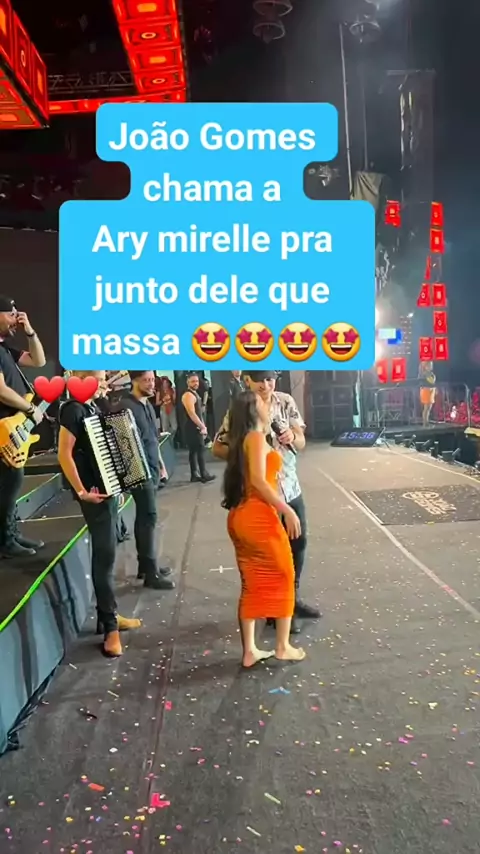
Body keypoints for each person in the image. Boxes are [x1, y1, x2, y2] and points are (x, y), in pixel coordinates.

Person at [213, 369, 320, 634]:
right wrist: (249, 454)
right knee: (271, 557)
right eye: (259, 380)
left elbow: (302, 441)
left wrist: (292, 437)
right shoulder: (241, 407)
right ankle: (276, 610)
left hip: (289, 486)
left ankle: (291, 600)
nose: (265, 385)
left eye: (270, 379)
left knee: (298, 544)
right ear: (248, 380)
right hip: (261, 497)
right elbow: (218, 447)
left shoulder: (285, 401)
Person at [57, 370, 141, 658]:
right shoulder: (73, 409)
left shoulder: (93, 407)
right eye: (99, 378)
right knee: (104, 558)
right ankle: (109, 627)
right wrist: (81, 492)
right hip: (93, 495)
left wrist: (118, 482)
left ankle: (110, 615)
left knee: (108, 555)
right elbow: (64, 454)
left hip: (106, 492)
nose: (103, 383)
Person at [223, 390, 306, 667]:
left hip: (242, 515)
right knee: (284, 574)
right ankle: (282, 646)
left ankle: (250, 651)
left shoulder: (247, 439)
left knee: (252, 583)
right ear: (252, 409)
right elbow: (259, 480)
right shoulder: (256, 438)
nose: (266, 403)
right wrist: (287, 509)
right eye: (261, 401)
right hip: (258, 517)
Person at [115, 370, 175, 590]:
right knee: (148, 517)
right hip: (138, 472)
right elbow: (124, 446)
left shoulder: (147, 405)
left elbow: (152, 439)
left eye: (152, 380)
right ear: (134, 381)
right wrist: (138, 473)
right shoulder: (125, 407)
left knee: (145, 517)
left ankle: (146, 566)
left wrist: (160, 464)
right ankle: (150, 573)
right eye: (146, 380)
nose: (151, 384)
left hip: (151, 468)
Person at [0, 296, 47, 557]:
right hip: (3, 428)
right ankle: (5, 541)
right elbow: (0, 390)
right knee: (8, 484)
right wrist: (29, 409)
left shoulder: (5, 349)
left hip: (10, 428)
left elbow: (38, 361)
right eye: (10, 314)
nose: (16, 319)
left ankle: (11, 534)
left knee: (11, 483)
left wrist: (30, 331)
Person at [181, 372, 215, 483]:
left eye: (196, 381)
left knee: (194, 451)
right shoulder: (188, 395)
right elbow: (192, 413)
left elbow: (199, 413)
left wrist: (202, 425)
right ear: (188, 382)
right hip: (192, 427)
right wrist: (202, 426)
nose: (195, 383)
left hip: (195, 426)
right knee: (200, 450)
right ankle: (203, 474)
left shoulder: (194, 393)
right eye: (193, 381)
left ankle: (194, 475)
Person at [419, 361, 436, 427]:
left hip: (430, 391)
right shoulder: (425, 374)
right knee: (426, 408)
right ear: (425, 367)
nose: (430, 367)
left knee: (428, 408)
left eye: (431, 365)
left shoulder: (429, 373)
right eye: (429, 365)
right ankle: (425, 423)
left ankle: (426, 422)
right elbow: (431, 381)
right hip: (426, 391)